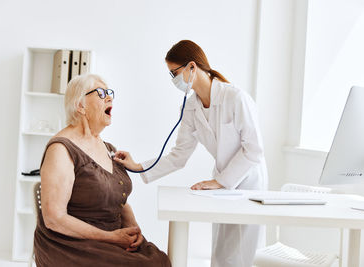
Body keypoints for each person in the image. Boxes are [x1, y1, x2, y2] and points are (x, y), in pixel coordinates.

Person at [114, 40, 268, 267]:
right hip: (223, 186)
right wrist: (139, 166)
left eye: (174, 73)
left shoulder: (235, 98)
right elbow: (179, 155)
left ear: (192, 67)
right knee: (222, 254)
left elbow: (254, 150)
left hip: (249, 184)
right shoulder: (190, 107)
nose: (174, 80)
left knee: (246, 255)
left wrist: (219, 181)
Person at [33, 74, 171, 267]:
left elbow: (119, 201)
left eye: (110, 93)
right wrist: (110, 237)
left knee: (159, 260)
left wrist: (133, 229)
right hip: (70, 243)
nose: (109, 98)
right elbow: (54, 218)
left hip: (110, 235)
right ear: (80, 105)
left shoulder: (108, 148)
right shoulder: (61, 149)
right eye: (101, 93)